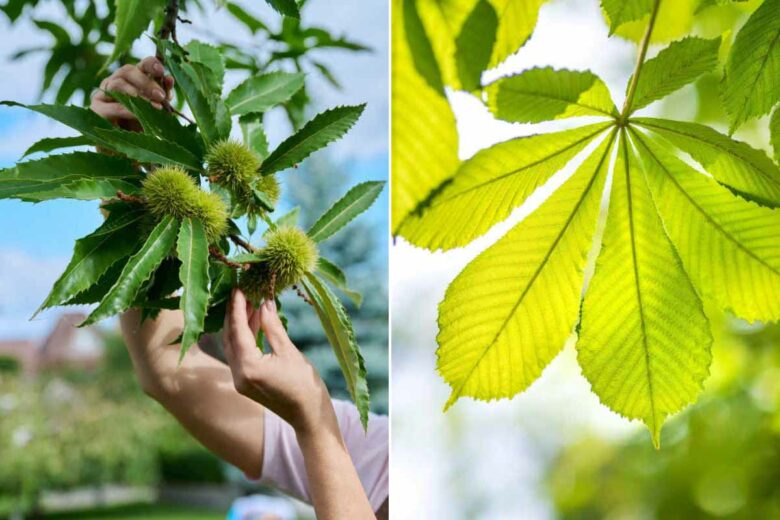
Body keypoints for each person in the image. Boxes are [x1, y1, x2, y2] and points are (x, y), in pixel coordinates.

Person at [92, 57, 389, 520]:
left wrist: (313, 421)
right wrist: (126, 173)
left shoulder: (351, 445)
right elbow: (169, 368)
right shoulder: (377, 453)